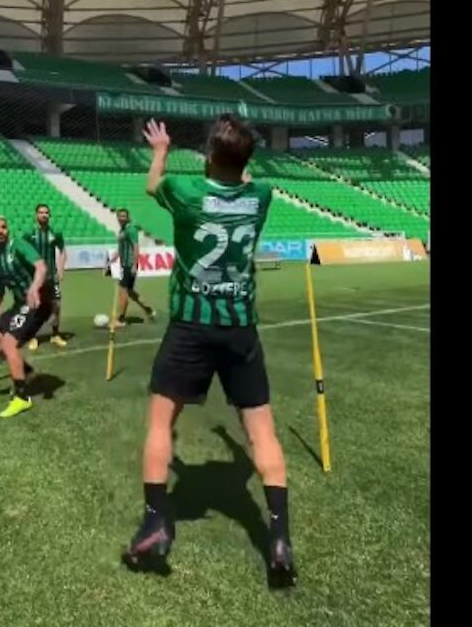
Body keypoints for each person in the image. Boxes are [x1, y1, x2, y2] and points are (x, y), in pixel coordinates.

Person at [121, 115, 297, 589]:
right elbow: (249, 177)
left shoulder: (185, 190)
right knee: (262, 435)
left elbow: (152, 184)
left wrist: (160, 149)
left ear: (208, 157)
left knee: (161, 423)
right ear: (245, 161)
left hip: (191, 329)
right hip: (240, 330)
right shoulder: (261, 197)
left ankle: (157, 521)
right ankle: (278, 537)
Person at [0, 216, 53, 418]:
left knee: (9, 343)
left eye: (4, 226)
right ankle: (27, 372)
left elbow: (41, 266)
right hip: (19, 305)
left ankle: (21, 398)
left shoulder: (19, 245)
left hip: (37, 302)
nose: (1, 230)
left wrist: (34, 288)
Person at [20, 204, 68, 349]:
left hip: (51, 275)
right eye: (41, 212)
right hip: (35, 276)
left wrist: (60, 269)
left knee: (56, 304)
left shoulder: (56, 233)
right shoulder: (29, 233)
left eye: (46, 212)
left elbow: (63, 250)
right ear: (36, 215)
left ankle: (55, 334)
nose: (44, 215)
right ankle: (33, 337)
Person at [109, 208, 157, 328]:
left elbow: (136, 247)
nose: (121, 218)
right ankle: (149, 310)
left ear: (128, 217)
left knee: (123, 291)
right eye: (120, 216)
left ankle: (121, 319)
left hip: (129, 265)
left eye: (124, 216)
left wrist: (135, 265)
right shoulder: (123, 230)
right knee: (130, 291)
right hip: (124, 264)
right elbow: (121, 247)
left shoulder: (131, 229)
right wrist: (113, 258)